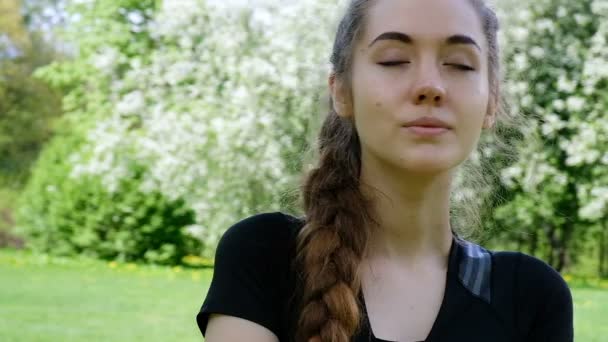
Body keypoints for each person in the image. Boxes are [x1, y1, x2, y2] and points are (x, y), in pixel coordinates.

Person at [196, 0, 574, 341]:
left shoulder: (530, 295)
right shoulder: (266, 254)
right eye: (393, 60)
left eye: (459, 64)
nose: (430, 86)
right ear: (342, 91)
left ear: (491, 101)